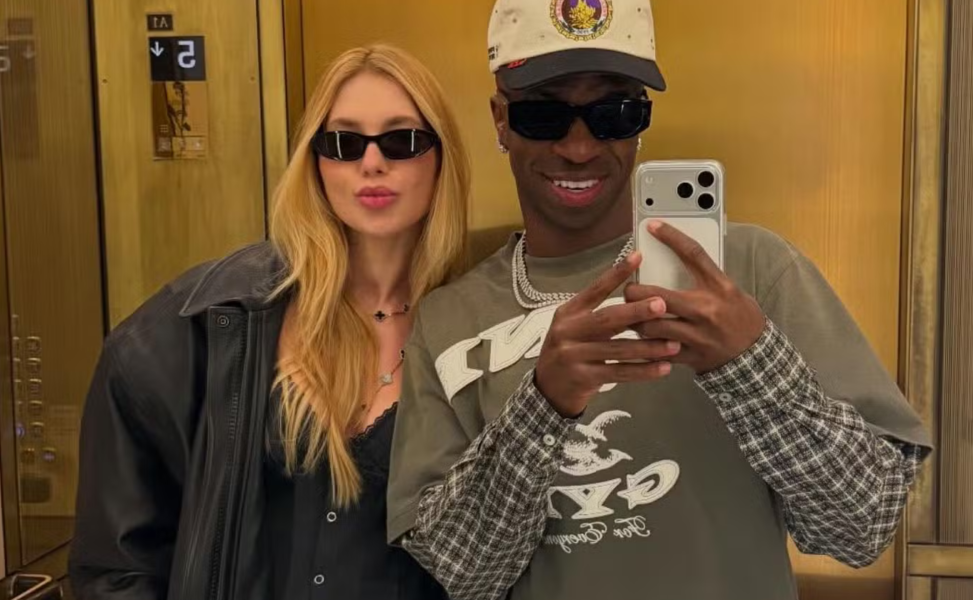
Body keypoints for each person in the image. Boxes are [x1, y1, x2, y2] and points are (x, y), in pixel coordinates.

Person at [386, 1, 933, 599]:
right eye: (543, 115)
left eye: (614, 114)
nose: (578, 148)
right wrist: (542, 404)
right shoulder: (447, 319)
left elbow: (862, 527)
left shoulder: (753, 270)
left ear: (642, 119)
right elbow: (464, 576)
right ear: (500, 120)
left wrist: (751, 367)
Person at [69, 44, 469, 600]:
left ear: (441, 158)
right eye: (343, 143)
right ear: (314, 161)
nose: (372, 163)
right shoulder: (208, 320)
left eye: (401, 140)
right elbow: (115, 565)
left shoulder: (481, 324)